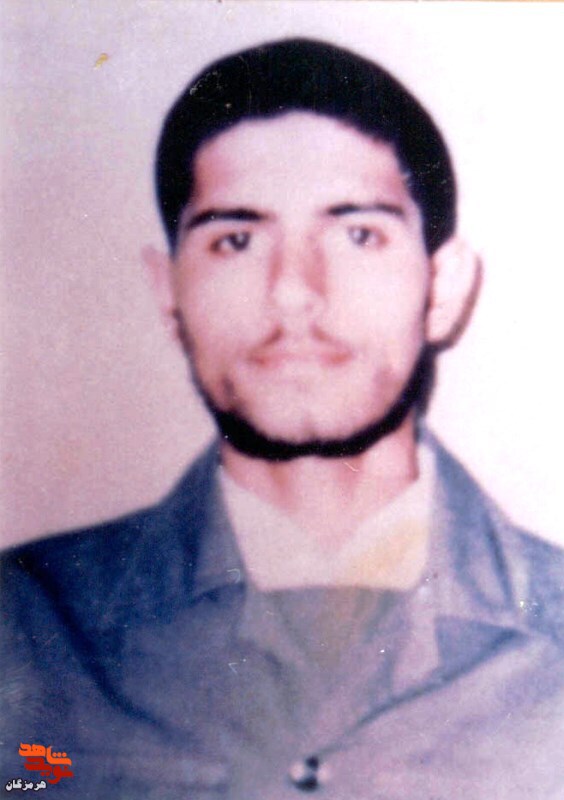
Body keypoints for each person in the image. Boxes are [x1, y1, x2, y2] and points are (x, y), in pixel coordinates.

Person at [1, 38, 563, 799]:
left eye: (358, 234)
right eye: (236, 240)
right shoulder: (23, 634)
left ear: (443, 288)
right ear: (168, 292)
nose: (294, 291)